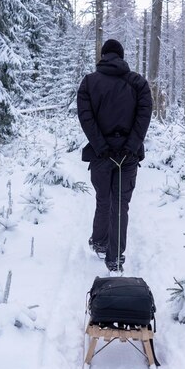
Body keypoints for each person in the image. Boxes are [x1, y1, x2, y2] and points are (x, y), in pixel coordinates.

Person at [77, 39, 152, 272]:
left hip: (101, 154)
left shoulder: (89, 83)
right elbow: (144, 116)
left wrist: (102, 147)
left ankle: (100, 242)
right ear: (121, 56)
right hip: (127, 155)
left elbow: (86, 118)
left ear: (103, 56)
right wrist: (130, 147)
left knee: (103, 198)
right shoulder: (138, 83)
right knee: (120, 204)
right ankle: (114, 258)